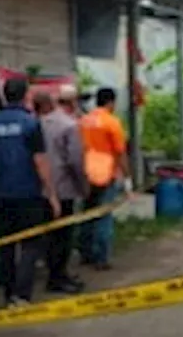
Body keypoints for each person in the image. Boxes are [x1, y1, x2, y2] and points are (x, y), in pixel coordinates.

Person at [0, 77, 61, 307]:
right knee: (30, 244)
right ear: (26, 95)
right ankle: (22, 294)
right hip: (27, 193)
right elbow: (40, 161)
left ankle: (8, 295)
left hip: (0, 194)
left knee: (6, 247)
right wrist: (51, 193)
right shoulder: (30, 123)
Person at [34, 86, 86, 294]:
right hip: (64, 188)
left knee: (48, 236)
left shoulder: (35, 123)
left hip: (39, 189)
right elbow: (76, 160)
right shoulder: (69, 125)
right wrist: (83, 185)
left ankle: (56, 274)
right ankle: (58, 277)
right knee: (63, 236)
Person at [79, 87, 131, 271]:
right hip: (105, 172)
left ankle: (85, 252)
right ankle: (102, 257)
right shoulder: (112, 122)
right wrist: (127, 176)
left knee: (87, 214)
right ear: (111, 102)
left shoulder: (84, 120)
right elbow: (121, 152)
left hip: (86, 172)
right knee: (104, 215)